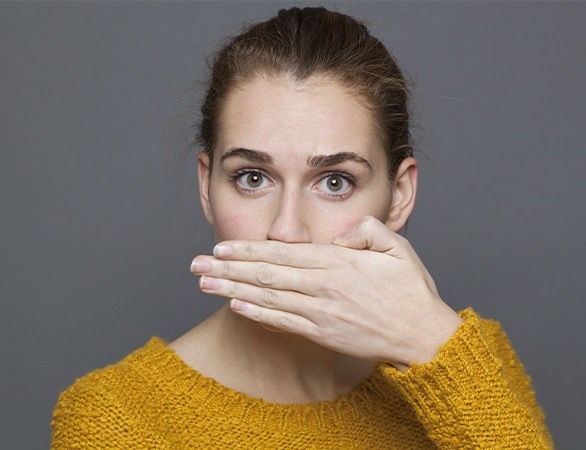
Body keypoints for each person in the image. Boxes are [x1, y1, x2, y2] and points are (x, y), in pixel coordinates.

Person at [51, 6, 553, 449]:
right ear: (207, 186)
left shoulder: (465, 359)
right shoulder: (115, 417)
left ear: (399, 195)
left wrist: (432, 345)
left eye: (334, 182)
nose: (286, 231)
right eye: (253, 178)